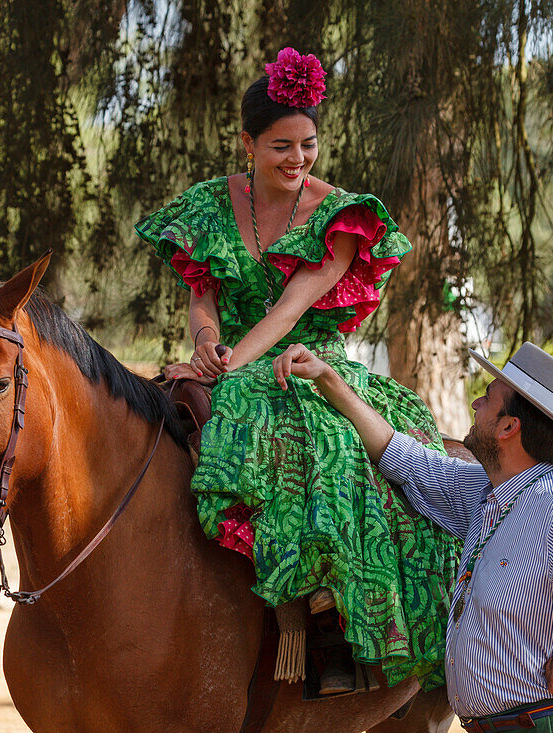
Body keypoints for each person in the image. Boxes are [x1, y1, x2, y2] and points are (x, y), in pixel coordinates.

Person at [134, 48, 460, 695]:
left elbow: (289, 310)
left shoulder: (341, 214)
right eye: (280, 145)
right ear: (247, 143)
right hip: (231, 354)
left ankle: (332, 620)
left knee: (335, 446)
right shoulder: (208, 204)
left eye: (308, 144)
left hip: (304, 360)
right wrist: (206, 342)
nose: (297, 160)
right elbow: (202, 290)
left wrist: (228, 366)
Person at [272, 340, 553, 730]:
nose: (475, 405)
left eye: (487, 399)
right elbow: (398, 454)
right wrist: (328, 378)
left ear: (508, 427)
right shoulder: (487, 490)